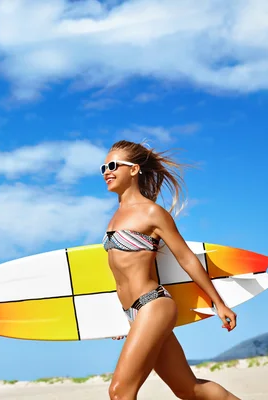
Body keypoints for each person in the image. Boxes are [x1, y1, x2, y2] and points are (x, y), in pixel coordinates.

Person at [100, 140, 240, 400]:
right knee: (188, 389)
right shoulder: (115, 215)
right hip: (134, 313)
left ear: (133, 170)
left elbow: (186, 259)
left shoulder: (152, 213)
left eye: (112, 165)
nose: (106, 172)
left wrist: (218, 303)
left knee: (119, 392)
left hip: (153, 306)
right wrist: (122, 318)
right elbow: (120, 273)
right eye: (103, 168)